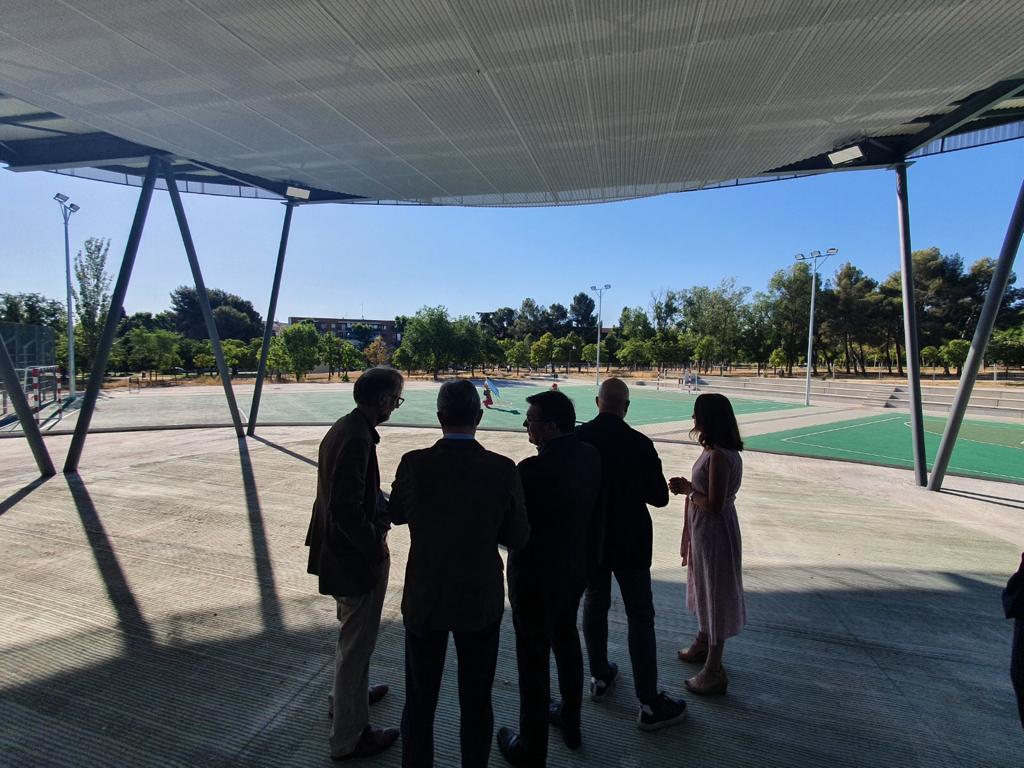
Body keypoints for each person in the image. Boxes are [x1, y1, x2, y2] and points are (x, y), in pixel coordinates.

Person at [390, 380, 530, 768]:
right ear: (479, 417)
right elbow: (518, 537)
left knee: (419, 700)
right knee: (476, 700)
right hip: (479, 598)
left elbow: (396, 513)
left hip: (425, 597)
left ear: (440, 418)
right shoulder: (502, 469)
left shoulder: (413, 463)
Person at [305, 366, 405, 761]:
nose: (395, 406)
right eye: (395, 399)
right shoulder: (358, 438)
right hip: (354, 560)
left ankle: (347, 698)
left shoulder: (346, 428)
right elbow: (344, 508)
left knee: (351, 639)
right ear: (381, 400)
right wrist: (374, 544)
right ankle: (349, 737)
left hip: (338, 552)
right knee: (356, 645)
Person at [497, 391, 602, 766]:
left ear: (552, 427)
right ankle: (571, 720)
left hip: (534, 579)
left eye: (532, 421)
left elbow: (510, 528)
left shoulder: (530, 470)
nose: (526, 426)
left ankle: (531, 747)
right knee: (567, 641)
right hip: (574, 571)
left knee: (533, 659)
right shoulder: (590, 456)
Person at [577, 378, 687, 731]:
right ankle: (649, 702)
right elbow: (659, 497)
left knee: (595, 602)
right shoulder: (639, 443)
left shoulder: (579, 438)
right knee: (640, 615)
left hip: (591, 539)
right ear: (626, 407)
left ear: (597, 402)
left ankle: (599, 676)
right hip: (631, 540)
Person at [668, 392, 746, 696]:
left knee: (714, 593)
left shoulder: (719, 456)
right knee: (705, 586)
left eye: (697, 413)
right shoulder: (717, 450)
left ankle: (714, 670)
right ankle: (703, 641)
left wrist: (688, 490)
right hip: (707, 531)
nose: (693, 418)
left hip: (714, 532)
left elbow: (714, 504)